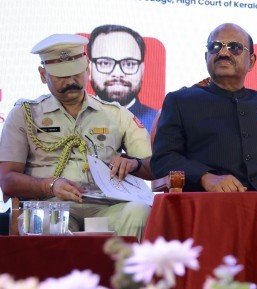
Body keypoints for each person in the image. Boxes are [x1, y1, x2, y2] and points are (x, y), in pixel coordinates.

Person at [0, 35, 153, 236]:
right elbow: (7, 180)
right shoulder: (25, 114)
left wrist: (135, 164)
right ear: (43, 75)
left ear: (87, 68)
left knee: (139, 212)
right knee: (45, 223)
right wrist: (49, 186)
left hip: (107, 206)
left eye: (76, 73)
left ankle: (123, 259)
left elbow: (154, 166)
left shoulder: (116, 114)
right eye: (61, 76)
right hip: (50, 205)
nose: (71, 81)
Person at [151, 23, 257, 192]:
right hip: (207, 203)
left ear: (252, 61)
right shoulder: (180, 101)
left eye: (234, 47)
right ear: (206, 57)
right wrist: (205, 177)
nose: (223, 53)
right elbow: (163, 159)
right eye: (215, 47)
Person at [88, 24, 160, 132]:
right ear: (89, 68)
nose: (117, 73)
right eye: (105, 63)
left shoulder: (160, 124)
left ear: (142, 70)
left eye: (129, 64)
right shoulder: (72, 119)